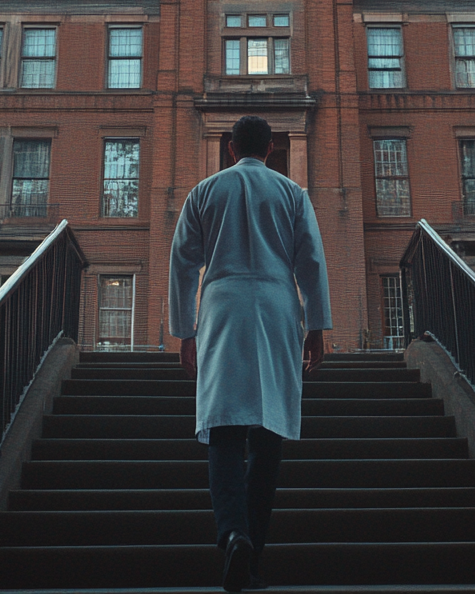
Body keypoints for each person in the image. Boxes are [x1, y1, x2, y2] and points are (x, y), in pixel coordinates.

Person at [169, 115, 332, 592]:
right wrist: (317, 326)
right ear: (272, 149)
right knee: (269, 431)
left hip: (223, 305)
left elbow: (183, 262)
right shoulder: (291, 194)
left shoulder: (205, 191)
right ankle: (252, 554)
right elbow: (312, 261)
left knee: (223, 428)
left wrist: (185, 331)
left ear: (229, 147)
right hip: (278, 306)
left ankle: (233, 532)